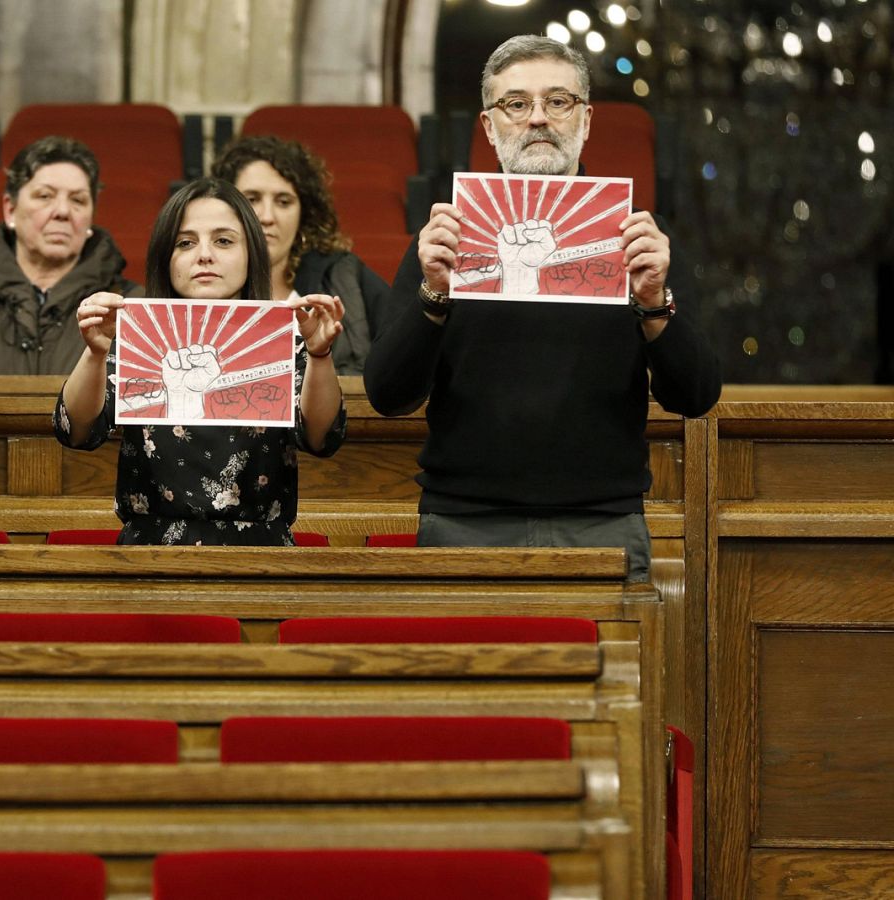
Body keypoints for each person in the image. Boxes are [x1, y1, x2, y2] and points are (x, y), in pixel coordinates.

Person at [362, 35, 721, 581]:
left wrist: (653, 303)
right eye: (516, 104)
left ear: (586, 119)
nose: (537, 119)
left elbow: (696, 396)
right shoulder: (445, 241)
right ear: (489, 126)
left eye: (558, 102)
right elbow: (387, 395)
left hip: (603, 523)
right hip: (464, 523)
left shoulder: (634, 241)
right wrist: (434, 293)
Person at [53, 178, 346, 545]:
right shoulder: (135, 336)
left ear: (251, 254)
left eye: (223, 241)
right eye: (185, 242)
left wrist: (319, 355)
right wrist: (97, 352)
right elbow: (76, 431)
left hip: (262, 555)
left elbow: (322, 438)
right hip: (150, 552)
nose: (204, 255)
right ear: (166, 257)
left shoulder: (283, 340)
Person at [0, 136, 137, 375]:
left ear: (91, 217)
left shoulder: (125, 304)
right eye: (45, 196)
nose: (63, 212)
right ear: (10, 209)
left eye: (78, 200)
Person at [211, 134, 388, 375]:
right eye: (252, 199)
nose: (267, 216)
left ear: (304, 214)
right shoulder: (197, 279)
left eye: (284, 202)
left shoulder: (343, 275)